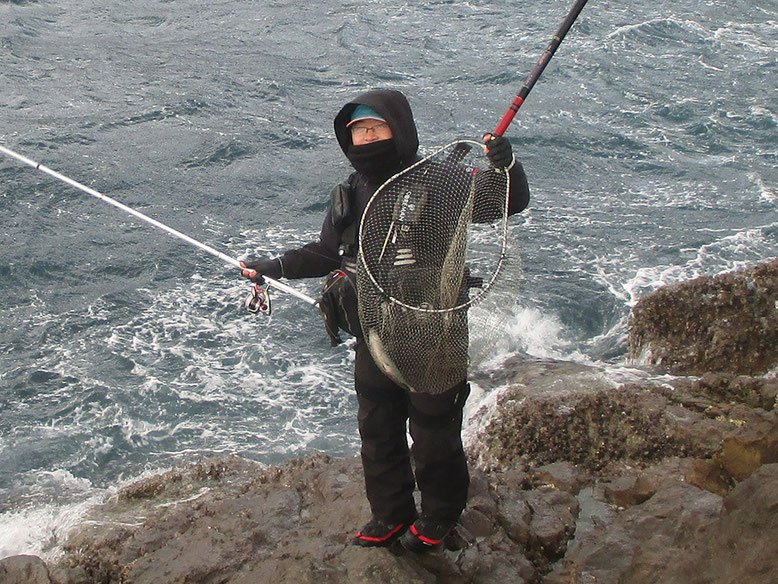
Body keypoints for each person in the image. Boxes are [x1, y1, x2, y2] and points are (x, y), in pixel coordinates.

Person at [241, 89, 530, 552]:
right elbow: (325, 252)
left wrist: (506, 167)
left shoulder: (441, 179)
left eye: (377, 127)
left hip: (433, 329)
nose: (368, 138)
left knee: (434, 429)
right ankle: (391, 512)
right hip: (373, 332)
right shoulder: (352, 189)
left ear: (400, 129)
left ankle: (440, 514)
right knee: (377, 425)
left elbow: (503, 204)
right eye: (359, 131)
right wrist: (272, 266)